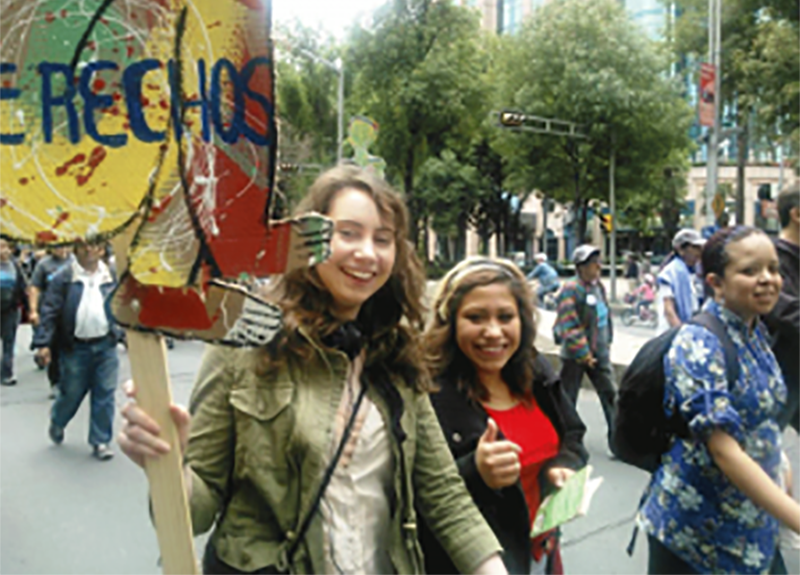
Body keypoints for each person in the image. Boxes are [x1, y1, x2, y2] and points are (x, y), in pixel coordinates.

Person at [118, 166, 508, 575]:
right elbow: (194, 513)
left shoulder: (397, 354)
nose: (367, 253)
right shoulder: (244, 344)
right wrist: (170, 464)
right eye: (348, 233)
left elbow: (445, 497)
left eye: (382, 239)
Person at [637, 226, 800, 575]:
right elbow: (724, 450)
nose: (767, 279)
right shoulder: (700, 342)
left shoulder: (756, 333)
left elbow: (760, 418)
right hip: (693, 538)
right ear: (716, 282)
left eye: (773, 269)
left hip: (751, 525)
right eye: (750, 270)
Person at [420, 257, 588, 575]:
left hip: (542, 555)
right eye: (475, 317)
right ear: (450, 322)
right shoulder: (428, 394)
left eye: (505, 316)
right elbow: (418, 499)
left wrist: (563, 465)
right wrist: (475, 471)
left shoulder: (536, 372)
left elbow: (573, 433)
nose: (493, 332)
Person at [33, 240, 119, 461]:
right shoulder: (64, 277)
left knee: (105, 392)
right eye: (83, 246)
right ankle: (58, 420)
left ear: (102, 249)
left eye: (94, 245)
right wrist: (43, 343)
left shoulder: (112, 275)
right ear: (75, 249)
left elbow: (124, 305)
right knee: (71, 393)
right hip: (76, 347)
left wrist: (125, 334)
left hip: (106, 345)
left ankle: (100, 441)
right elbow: (50, 310)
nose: (89, 250)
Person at [553, 244, 616, 455]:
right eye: (593, 263)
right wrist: (583, 352)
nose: (598, 266)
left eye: (598, 262)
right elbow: (569, 323)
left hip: (600, 353)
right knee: (567, 398)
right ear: (581, 267)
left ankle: (618, 442)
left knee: (611, 395)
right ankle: (564, 440)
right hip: (575, 355)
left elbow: (605, 317)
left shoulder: (599, 288)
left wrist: (607, 343)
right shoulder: (571, 289)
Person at [765, 183, 800, 433]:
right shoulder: (772, 259)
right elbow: (785, 311)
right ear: (796, 214)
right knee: (761, 445)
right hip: (780, 374)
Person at [28, 245, 73, 392]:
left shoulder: (74, 262)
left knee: (72, 349)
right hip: (51, 313)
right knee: (54, 348)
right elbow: (35, 288)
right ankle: (55, 381)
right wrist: (34, 310)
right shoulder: (44, 265)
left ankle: (71, 380)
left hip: (70, 313)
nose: (61, 249)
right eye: (57, 246)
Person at [655, 229, 705, 334]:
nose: (699, 252)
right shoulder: (671, 273)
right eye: (695, 247)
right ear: (681, 250)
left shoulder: (691, 273)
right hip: (672, 334)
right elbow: (669, 310)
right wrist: (682, 334)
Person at [0, 237, 28, 386]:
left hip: (10, 310)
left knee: (9, 342)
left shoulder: (15, 266)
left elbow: (23, 287)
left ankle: (7, 373)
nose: (3, 250)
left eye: (5, 246)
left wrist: (29, 310)